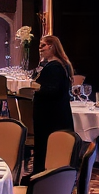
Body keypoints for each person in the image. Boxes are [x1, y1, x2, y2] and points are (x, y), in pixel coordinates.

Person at [31, 35, 76, 174]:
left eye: (43, 46)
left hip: (50, 115)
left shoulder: (55, 67)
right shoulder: (54, 64)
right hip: (53, 112)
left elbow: (53, 90)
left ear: (52, 46)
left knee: (48, 145)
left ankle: (45, 174)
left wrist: (36, 88)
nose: (40, 49)